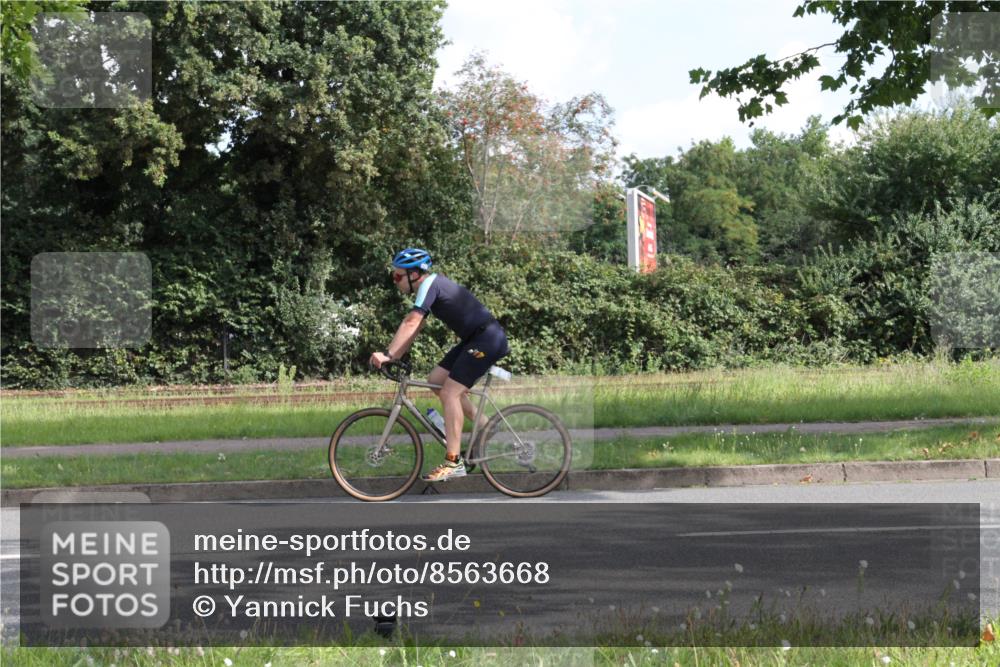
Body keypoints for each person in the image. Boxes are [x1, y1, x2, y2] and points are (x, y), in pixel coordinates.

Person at [369, 247, 509, 482]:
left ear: (414, 274)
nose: (395, 281)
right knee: (436, 380)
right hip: (475, 338)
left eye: (397, 276)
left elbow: (411, 322)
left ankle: (453, 462)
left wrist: (388, 354)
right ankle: (487, 426)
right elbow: (416, 327)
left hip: (487, 339)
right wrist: (395, 356)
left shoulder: (429, 285)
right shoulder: (430, 287)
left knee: (450, 393)